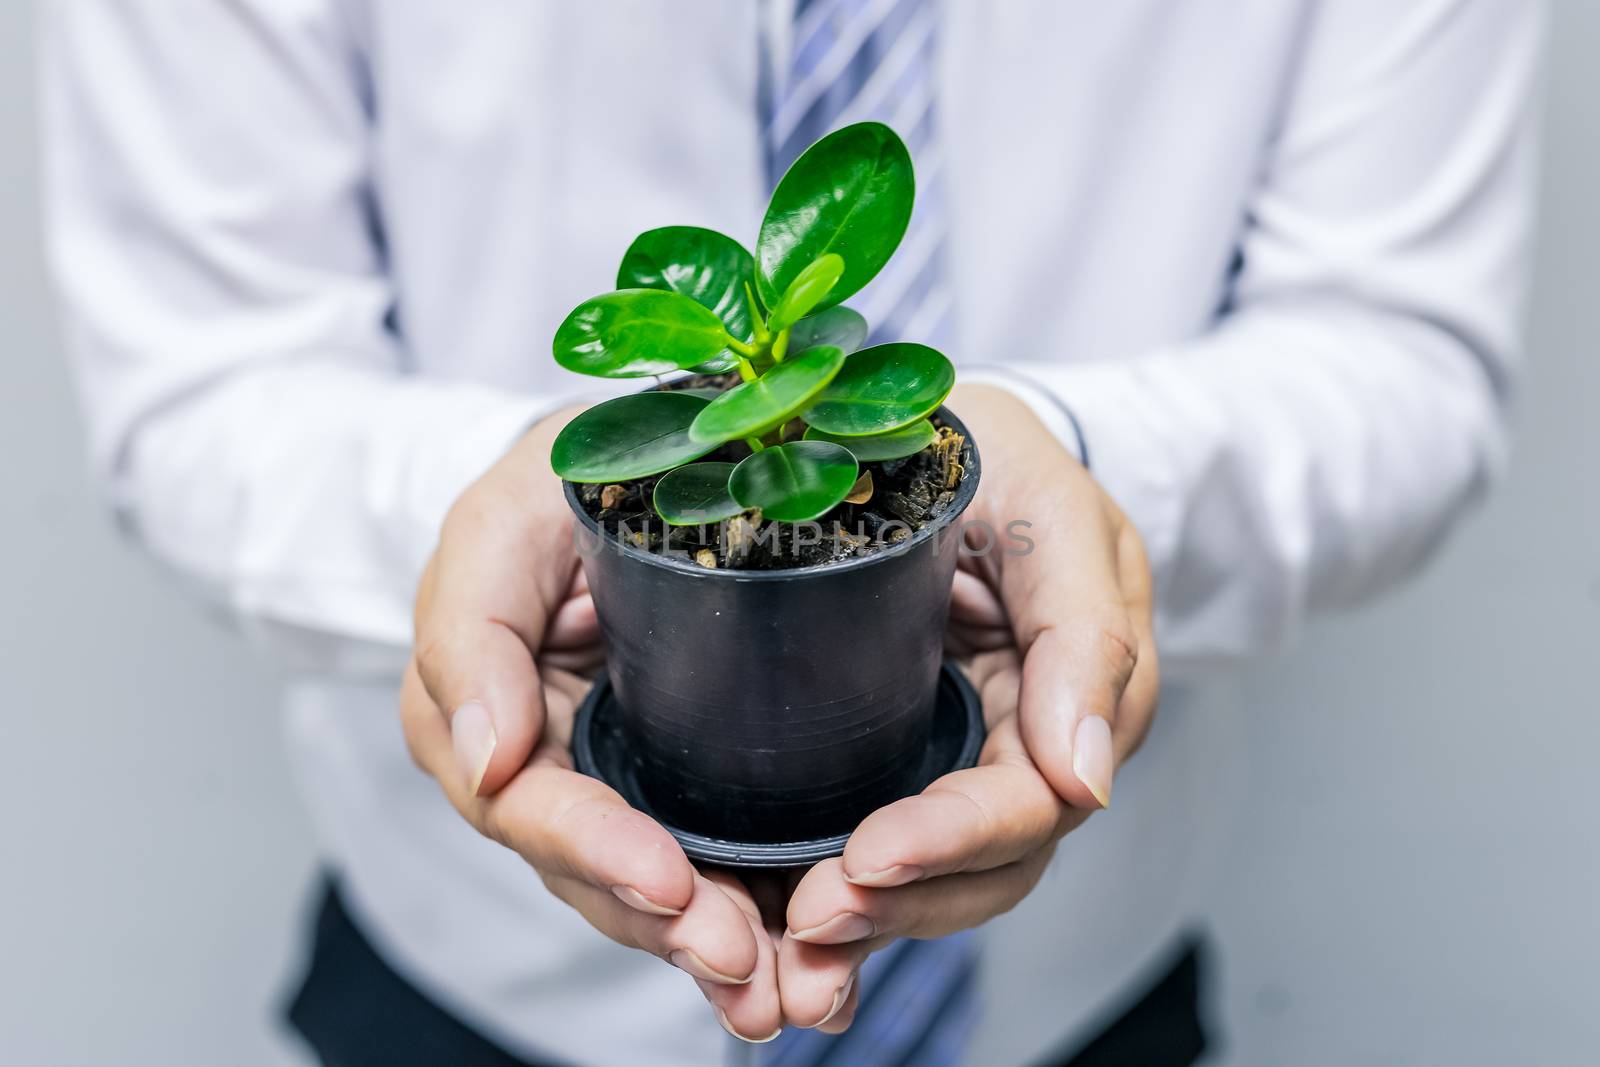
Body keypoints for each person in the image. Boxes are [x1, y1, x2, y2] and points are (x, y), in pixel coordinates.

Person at [41, 1, 1539, 1065]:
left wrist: (1077, 473)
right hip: (470, 1005)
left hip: (1081, 1004)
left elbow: (1398, 356)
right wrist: (507, 523)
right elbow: (204, 384)